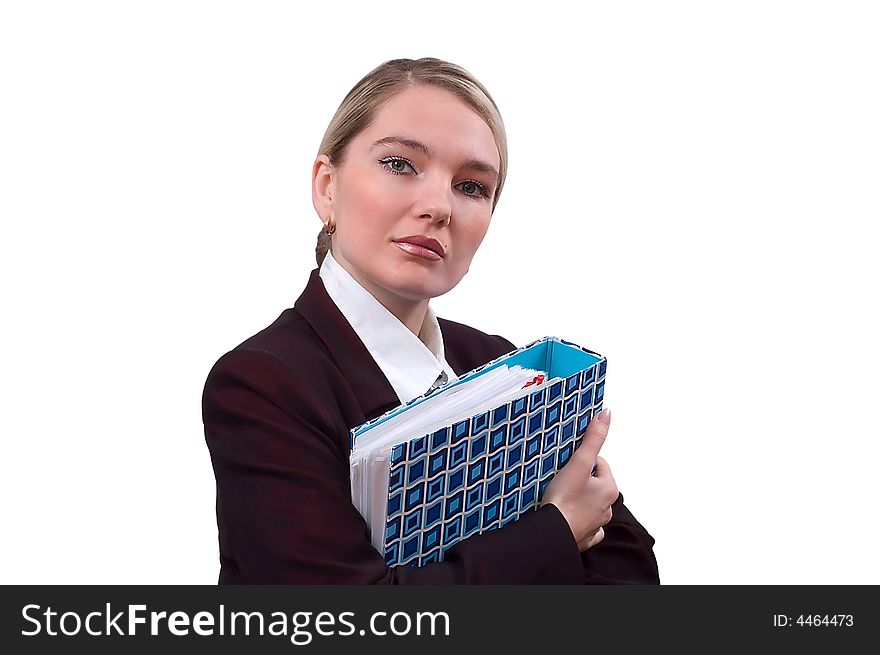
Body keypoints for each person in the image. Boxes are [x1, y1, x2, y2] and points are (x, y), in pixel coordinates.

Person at [202, 57, 660, 584]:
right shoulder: (263, 384)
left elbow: (629, 574)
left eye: (471, 187)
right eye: (399, 164)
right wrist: (557, 529)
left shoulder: (503, 368)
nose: (439, 206)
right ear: (327, 186)